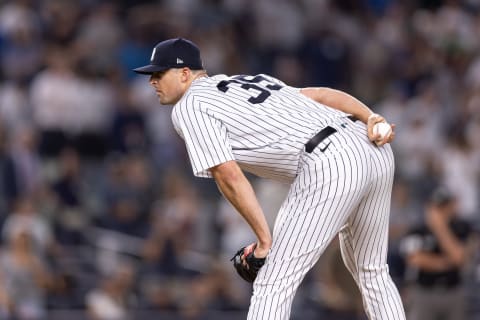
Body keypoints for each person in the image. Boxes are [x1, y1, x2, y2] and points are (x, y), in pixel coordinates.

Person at [133, 37, 406, 320]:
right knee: (372, 273)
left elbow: (228, 175)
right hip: (371, 146)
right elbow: (320, 94)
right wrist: (370, 115)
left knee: (272, 282)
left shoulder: (190, 105)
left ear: (185, 73)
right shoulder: (246, 81)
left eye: (159, 73)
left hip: (331, 160)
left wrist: (265, 242)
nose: (152, 80)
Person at [400, 186, 474, 320]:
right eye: (438, 207)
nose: (442, 211)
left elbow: (459, 257)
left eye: (445, 206)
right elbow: (415, 259)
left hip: (453, 291)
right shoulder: (418, 230)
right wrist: (446, 262)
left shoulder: (460, 227)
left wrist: (440, 228)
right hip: (424, 291)